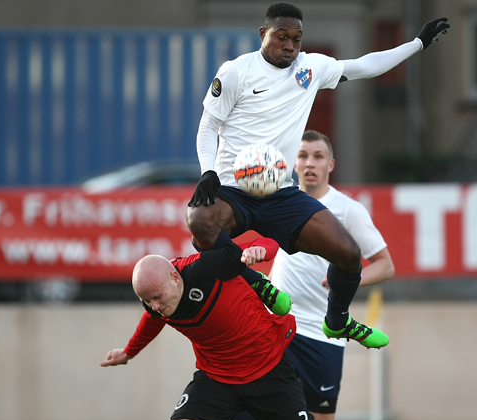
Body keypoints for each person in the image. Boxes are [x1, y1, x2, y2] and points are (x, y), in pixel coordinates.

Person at [187, 2, 448, 350]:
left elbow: (364, 66)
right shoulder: (236, 72)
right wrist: (207, 172)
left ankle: (337, 320)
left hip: (280, 191)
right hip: (234, 188)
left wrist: (416, 43)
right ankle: (257, 282)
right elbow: (209, 127)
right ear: (264, 34)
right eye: (282, 37)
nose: (290, 46)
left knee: (349, 254)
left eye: (296, 39)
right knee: (200, 222)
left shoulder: (310, 68)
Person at [233, 130, 395, 420]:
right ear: (292, 162)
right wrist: (254, 251)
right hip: (275, 322)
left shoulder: (348, 210)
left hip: (322, 332)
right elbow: (272, 242)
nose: (309, 162)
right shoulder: (279, 199)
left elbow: (385, 265)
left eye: (318, 156)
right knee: (231, 386)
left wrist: (348, 277)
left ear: (330, 164)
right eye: (303, 155)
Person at [100, 235, 325, 420]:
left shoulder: (207, 266)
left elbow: (270, 241)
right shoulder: (157, 302)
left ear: (175, 278)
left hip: (270, 372)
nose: (154, 305)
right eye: (147, 301)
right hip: (218, 378)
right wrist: (128, 352)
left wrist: (259, 250)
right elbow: (152, 320)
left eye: (157, 297)